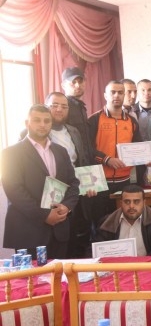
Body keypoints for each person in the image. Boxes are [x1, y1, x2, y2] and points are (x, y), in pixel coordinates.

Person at [2, 104, 80, 259]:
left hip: (59, 228)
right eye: (37, 120)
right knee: (33, 276)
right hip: (28, 230)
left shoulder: (61, 151)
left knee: (59, 274)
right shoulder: (10, 153)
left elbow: (73, 183)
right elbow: (14, 191)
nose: (42, 124)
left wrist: (67, 206)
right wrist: (44, 215)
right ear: (27, 123)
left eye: (47, 121)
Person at [45, 92, 95, 258]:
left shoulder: (73, 131)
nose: (59, 109)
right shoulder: (37, 132)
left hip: (74, 192)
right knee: (54, 243)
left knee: (75, 239)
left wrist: (89, 185)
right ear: (46, 107)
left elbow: (81, 162)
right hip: (49, 195)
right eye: (54, 105)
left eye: (64, 106)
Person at [88, 80, 144, 231]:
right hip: (99, 181)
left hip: (124, 181)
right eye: (113, 92)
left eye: (120, 92)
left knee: (123, 223)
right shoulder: (94, 119)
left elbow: (138, 147)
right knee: (101, 223)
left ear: (124, 95)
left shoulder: (132, 121)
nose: (116, 95)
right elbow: (87, 149)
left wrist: (146, 158)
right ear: (105, 95)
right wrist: (106, 159)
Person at [93, 184, 151, 256]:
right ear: (121, 203)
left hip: (147, 262)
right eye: (127, 202)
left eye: (136, 202)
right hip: (116, 262)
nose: (131, 206)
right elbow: (94, 250)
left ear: (144, 202)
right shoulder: (108, 222)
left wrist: (145, 262)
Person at [61, 67, 92, 160]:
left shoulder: (81, 107)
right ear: (63, 85)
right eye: (73, 82)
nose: (78, 85)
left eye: (80, 81)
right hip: (71, 161)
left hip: (85, 160)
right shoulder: (62, 107)